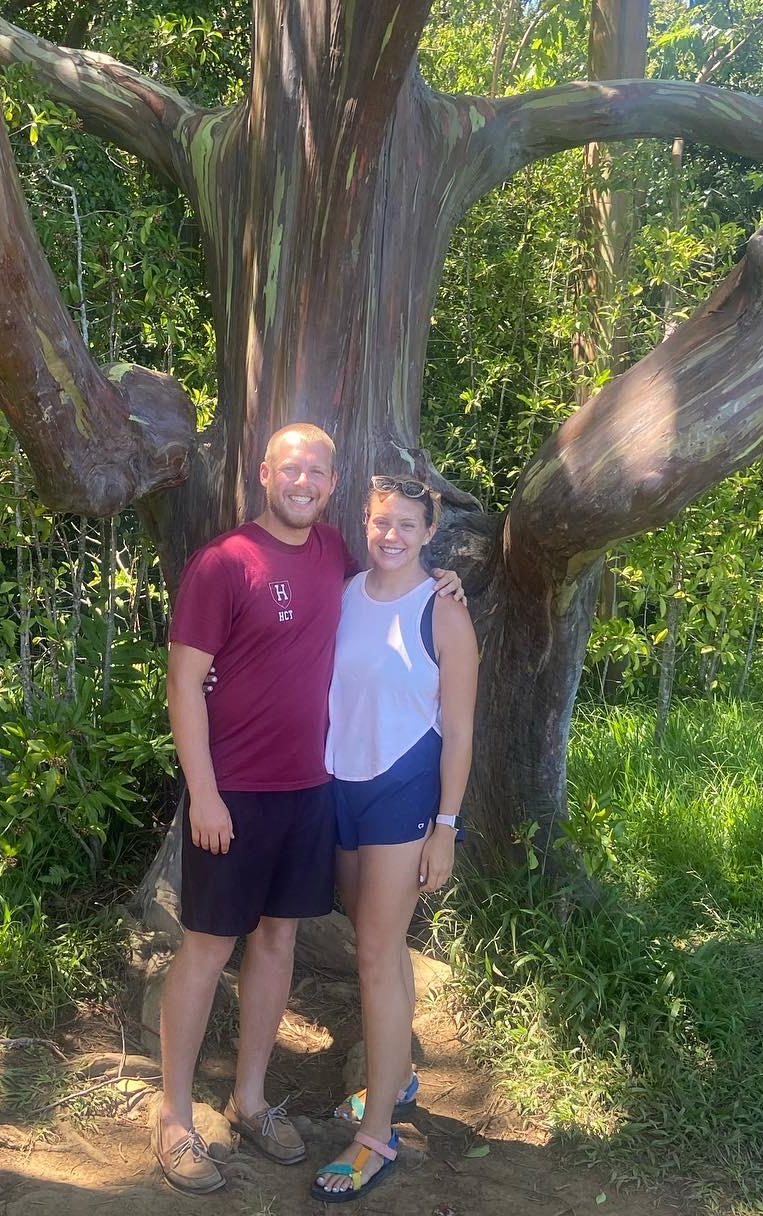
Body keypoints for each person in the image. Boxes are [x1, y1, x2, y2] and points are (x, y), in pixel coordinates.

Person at [153, 425, 462, 1194]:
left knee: (280, 943)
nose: (303, 481)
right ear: (265, 473)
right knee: (205, 948)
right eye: (291, 468)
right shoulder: (224, 563)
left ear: (331, 483)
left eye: (318, 471)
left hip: (312, 793)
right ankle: (174, 1120)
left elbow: (404, 587)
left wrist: (445, 581)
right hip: (234, 796)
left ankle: (251, 1101)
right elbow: (184, 682)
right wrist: (204, 794)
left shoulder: (337, 558)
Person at [313, 474, 478, 1203]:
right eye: (383, 522)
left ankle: (376, 1136)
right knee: (374, 940)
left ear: (428, 532)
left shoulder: (442, 609)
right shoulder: (344, 593)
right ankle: (398, 1080)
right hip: (341, 786)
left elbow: (463, 729)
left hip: (404, 794)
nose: (392, 536)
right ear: (367, 521)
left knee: (376, 956)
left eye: (408, 526)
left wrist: (446, 826)